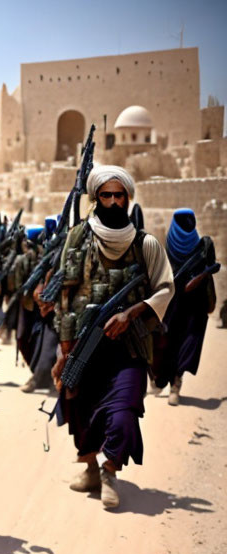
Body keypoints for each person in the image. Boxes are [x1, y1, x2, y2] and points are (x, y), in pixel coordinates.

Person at [52, 165, 173, 509]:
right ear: (95, 198)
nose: (114, 201)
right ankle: (90, 466)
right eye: (106, 195)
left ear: (128, 198)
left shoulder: (145, 243)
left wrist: (131, 313)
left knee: (123, 412)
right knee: (81, 409)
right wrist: (63, 349)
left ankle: (109, 470)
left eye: (120, 195)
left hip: (128, 346)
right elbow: (65, 294)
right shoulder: (78, 238)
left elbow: (165, 288)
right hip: (83, 344)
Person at [151, 208, 219, 405]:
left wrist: (203, 275)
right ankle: (162, 380)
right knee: (167, 347)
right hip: (172, 307)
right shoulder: (167, 247)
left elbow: (204, 273)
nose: (187, 227)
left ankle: (175, 384)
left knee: (187, 347)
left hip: (195, 308)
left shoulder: (201, 247)